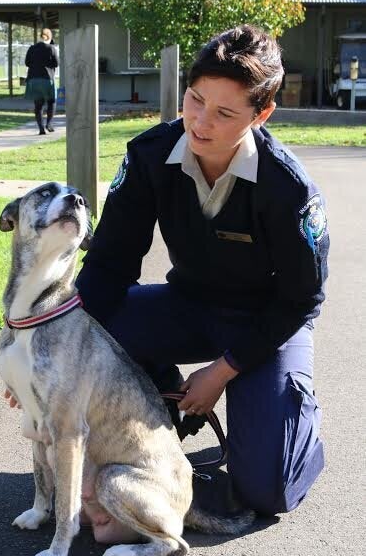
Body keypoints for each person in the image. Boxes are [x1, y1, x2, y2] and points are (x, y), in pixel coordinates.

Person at [74, 25, 329, 517]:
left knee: (267, 492)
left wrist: (222, 371)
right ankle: (162, 403)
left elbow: (302, 300)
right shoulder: (149, 156)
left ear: (262, 114)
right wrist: (49, 352)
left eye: (225, 112)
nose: (201, 122)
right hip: (187, 306)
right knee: (90, 333)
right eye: (195, 100)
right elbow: (109, 264)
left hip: (267, 323)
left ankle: (293, 425)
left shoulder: (288, 189)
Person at [24, 28, 59, 135]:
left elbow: (27, 63)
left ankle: (41, 129)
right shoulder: (51, 48)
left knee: (38, 105)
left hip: (33, 79)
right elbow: (56, 63)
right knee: (51, 102)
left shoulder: (32, 48)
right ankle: (49, 124)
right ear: (49, 37)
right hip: (47, 79)